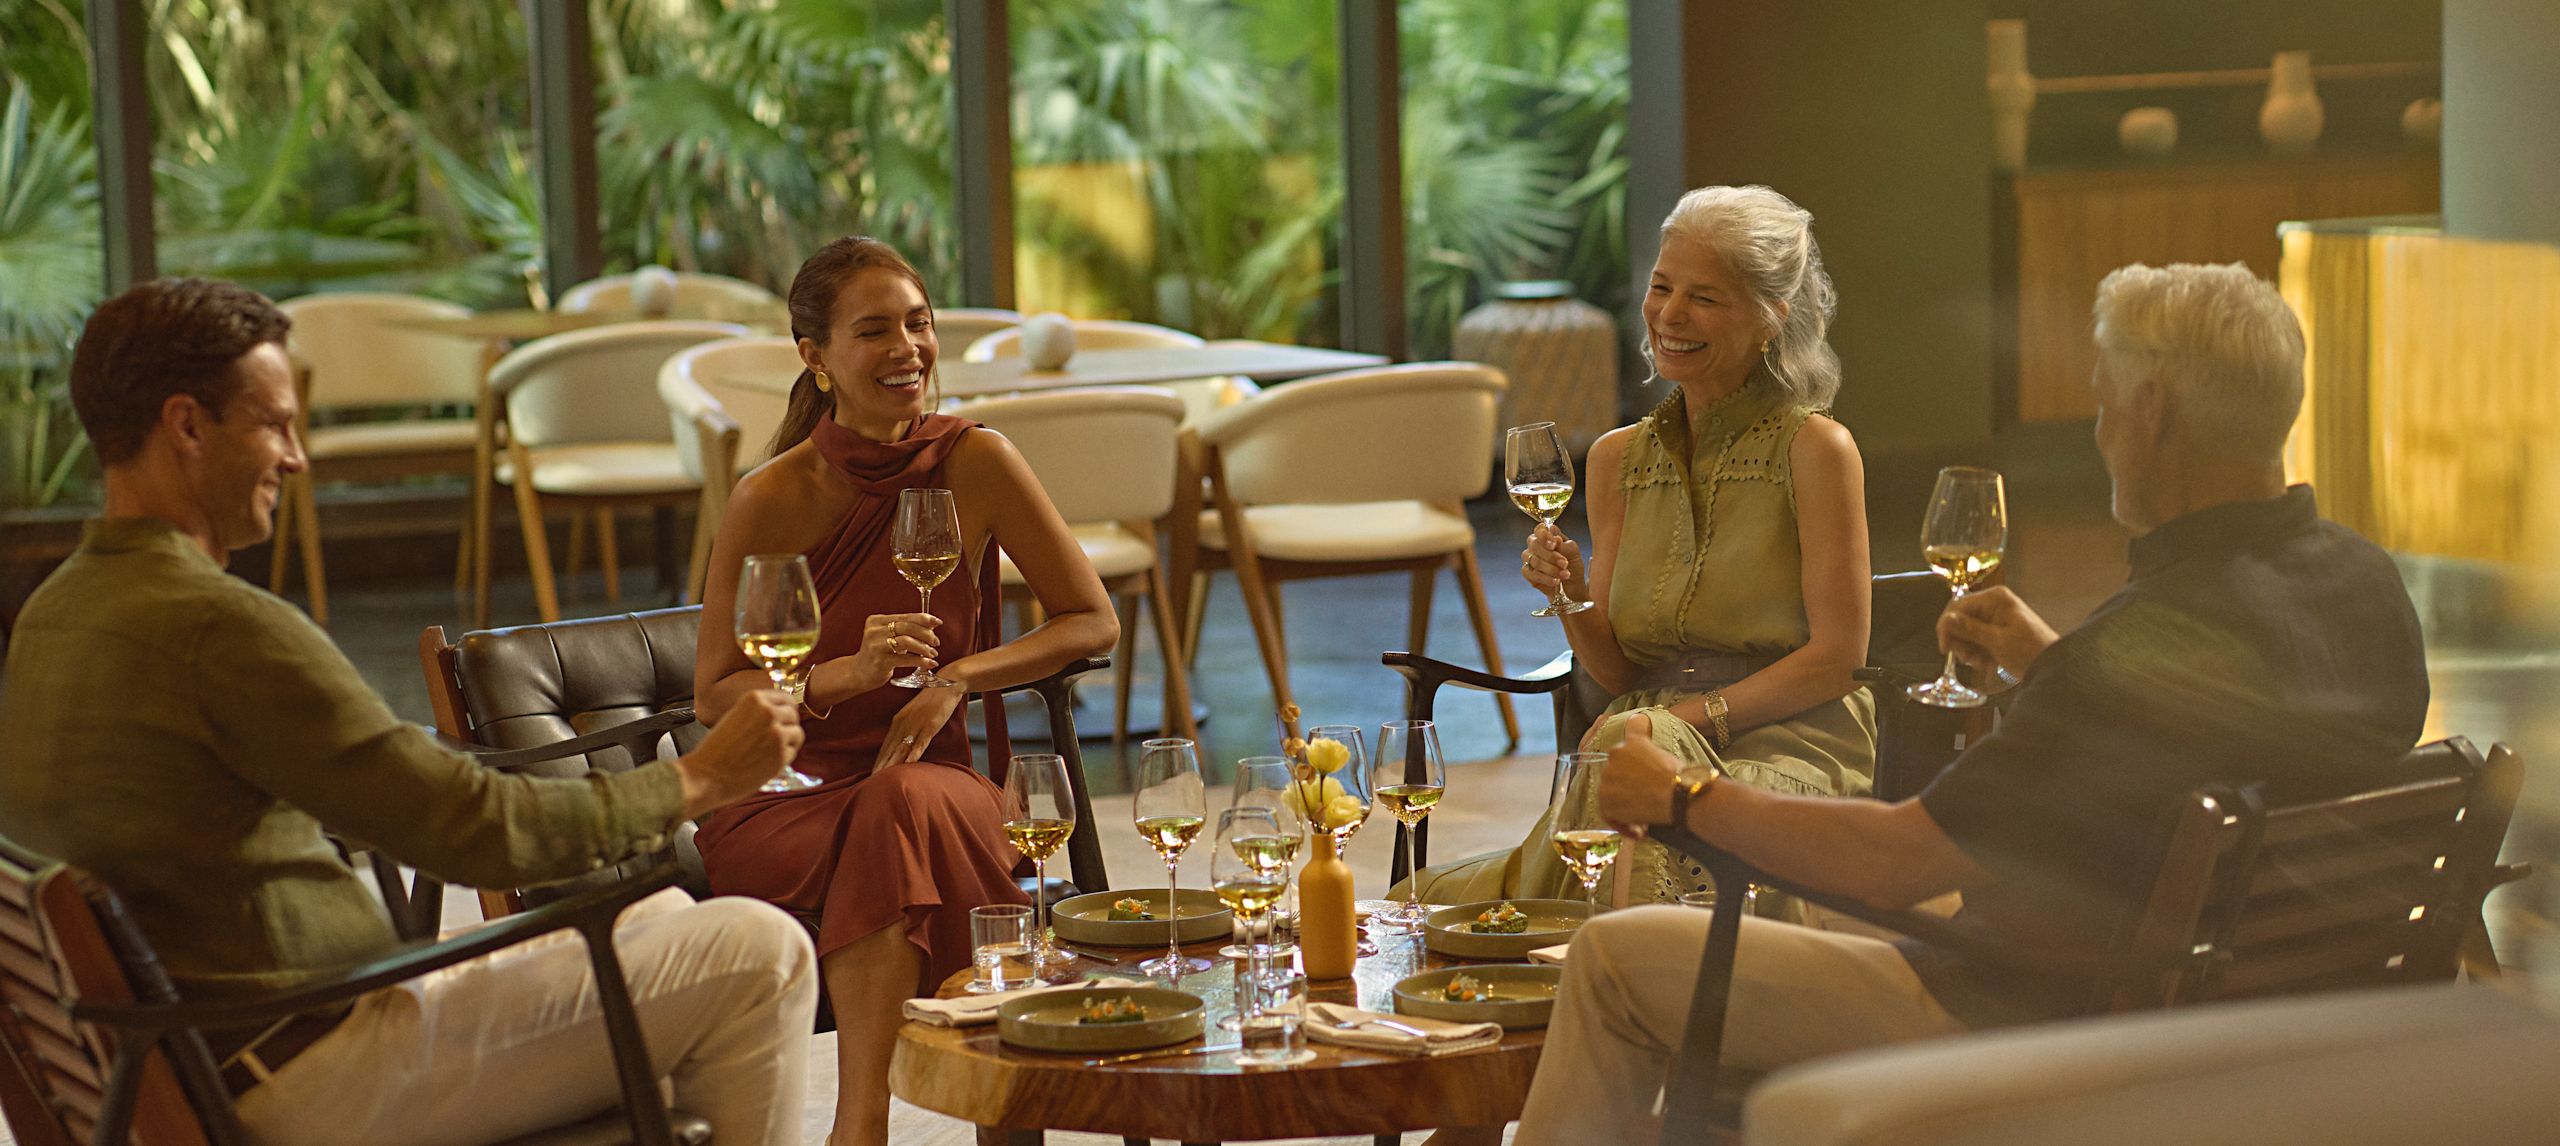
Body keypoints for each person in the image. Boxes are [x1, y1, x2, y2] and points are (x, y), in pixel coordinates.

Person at [1498, 262, 2431, 1145]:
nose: (2099, 430)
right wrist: (2051, 662)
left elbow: (1893, 863)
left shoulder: (2130, 653)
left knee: (1617, 958)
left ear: (2151, 411)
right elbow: (2228, 729)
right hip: (2256, 1013)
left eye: (2103, 401)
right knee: (1789, 913)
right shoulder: (2365, 586)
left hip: (2031, 1022)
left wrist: (1682, 797)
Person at [0, 278, 818, 1145]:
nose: (296, 457)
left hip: (189, 1056)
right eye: (274, 424)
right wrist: (699, 778)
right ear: (187, 427)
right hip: (308, 1067)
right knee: (756, 952)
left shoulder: (56, 612)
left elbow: (377, 788)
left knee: (660, 919)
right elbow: (471, 830)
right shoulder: (217, 626)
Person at [688, 236, 1119, 1146]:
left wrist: (956, 679)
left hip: (937, 779)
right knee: (890, 811)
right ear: (816, 356)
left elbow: (1091, 621)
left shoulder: (978, 460)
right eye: (873, 330)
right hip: (787, 799)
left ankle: (862, 1125)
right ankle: (970, 1114)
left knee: (902, 803)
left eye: (918, 324)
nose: (907, 349)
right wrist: (836, 681)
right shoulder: (770, 495)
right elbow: (714, 695)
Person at [1411, 185, 1875, 908]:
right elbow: (1619, 672)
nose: (1670, 315)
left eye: (1706, 297)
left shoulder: (1817, 450)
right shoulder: (1614, 459)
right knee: (1445, 903)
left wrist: (1690, 718)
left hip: (1790, 744)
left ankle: (1632, 979)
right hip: (1637, 739)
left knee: (1619, 775)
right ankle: (1624, 975)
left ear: (1770, 319)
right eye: (1662, 287)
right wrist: (1568, 597)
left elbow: (1838, 660)